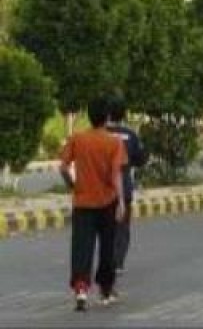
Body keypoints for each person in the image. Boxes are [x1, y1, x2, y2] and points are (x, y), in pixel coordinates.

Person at [59, 99, 127, 311]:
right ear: (107, 118)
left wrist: (72, 184)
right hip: (107, 202)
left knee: (81, 247)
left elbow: (62, 166)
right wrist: (121, 201)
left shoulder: (77, 139)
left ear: (89, 117)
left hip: (83, 203)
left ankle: (81, 290)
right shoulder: (114, 142)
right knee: (107, 248)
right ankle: (106, 289)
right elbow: (116, 175)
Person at [106, 102, 146, 276]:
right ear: (123, 115)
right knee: (122, 227)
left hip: (103, 188)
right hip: (124, 187)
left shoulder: (100, 134)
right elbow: (140, 159)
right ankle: (118, 262)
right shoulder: (130, 135)